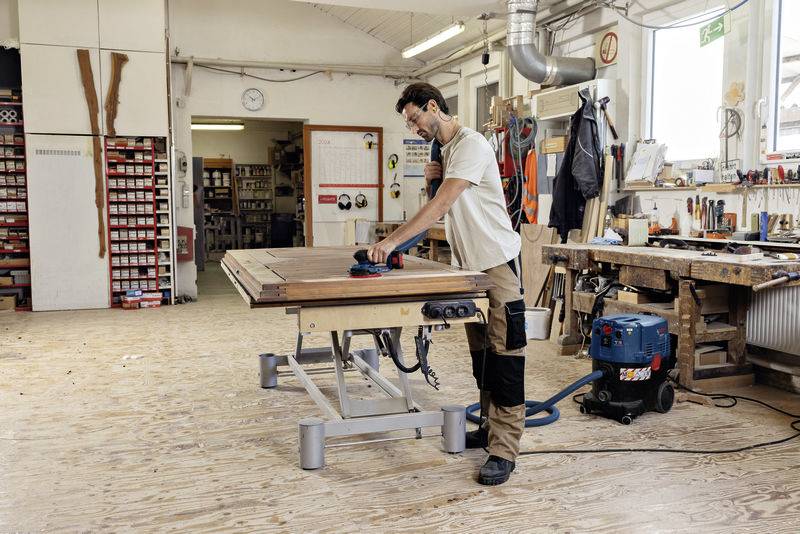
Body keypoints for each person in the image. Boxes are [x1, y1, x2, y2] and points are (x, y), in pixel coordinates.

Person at [367, 83, 527, 486]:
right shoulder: (447, 151)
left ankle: (505, 452)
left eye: (415, 118)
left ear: (433, 106)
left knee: (506, 358)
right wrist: (429, 180)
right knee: (482, 359)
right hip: (468, 271)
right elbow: (445, 208)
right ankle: (491, 430)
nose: (414, 128)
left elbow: (442, 206)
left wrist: (391, 242)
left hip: (497, 265)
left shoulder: (471, 145)